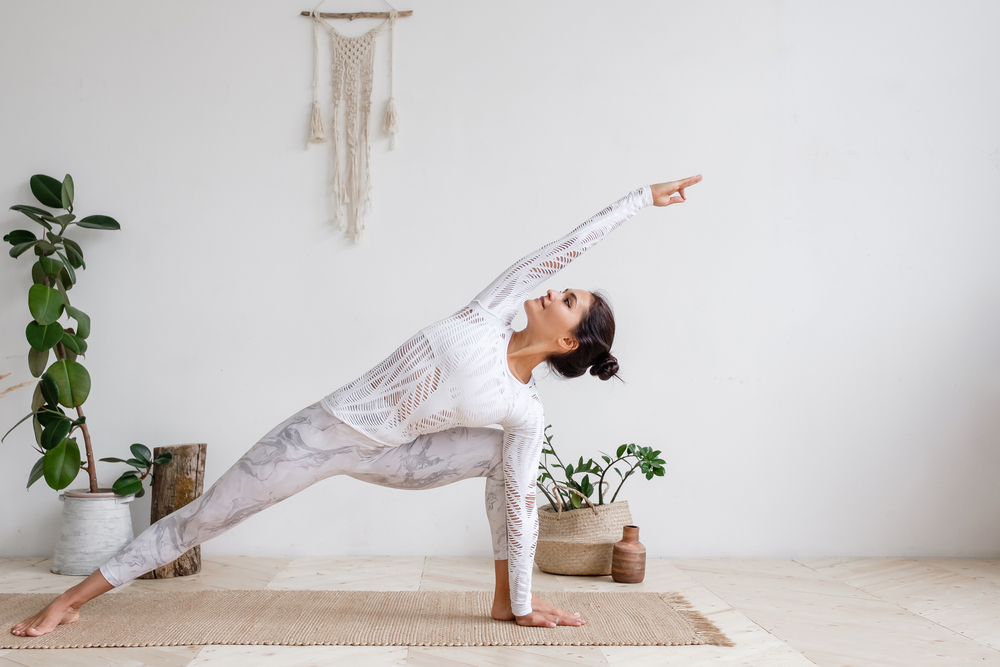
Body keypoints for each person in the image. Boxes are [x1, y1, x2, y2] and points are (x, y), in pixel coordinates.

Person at [11, 174, 703, 637]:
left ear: (567, 340)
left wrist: (524, 598)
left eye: (569, 299)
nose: (555, 290)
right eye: (563, 288)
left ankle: (506, 601)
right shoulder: (493, 311)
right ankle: (71, 601)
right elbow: (561, 247)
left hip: (400, 456)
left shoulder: (522, 409)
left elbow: (520, 508)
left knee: (510, 462)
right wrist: (639, 200)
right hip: (325, 432)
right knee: (209, 513)